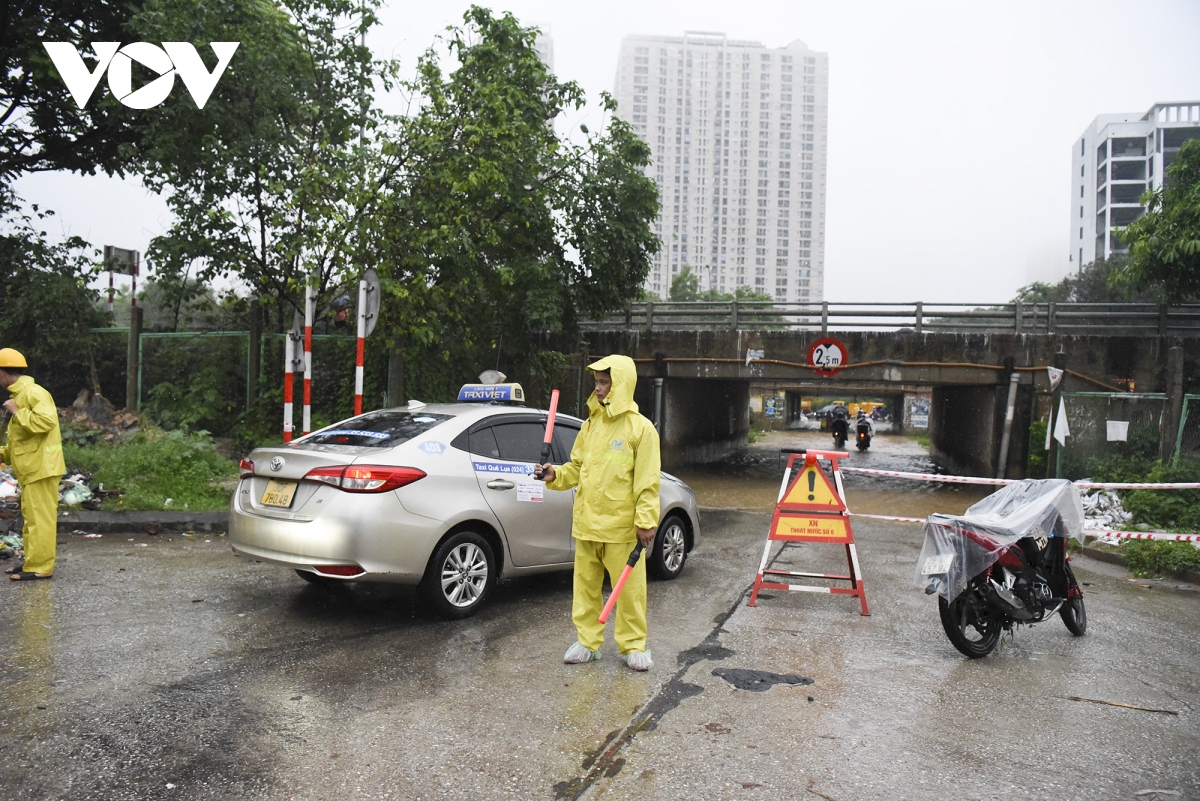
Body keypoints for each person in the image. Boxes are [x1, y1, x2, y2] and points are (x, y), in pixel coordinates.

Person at [535, 355, 660, 671]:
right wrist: (554, 475)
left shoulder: (641, 429)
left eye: (605, 382)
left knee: (630, 593)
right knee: (585, 590)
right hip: (587, 524)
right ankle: (587, 642)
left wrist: (646, 522)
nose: (599, 388)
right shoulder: (590, 425)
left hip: (621, 529)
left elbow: (647, 481)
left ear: (621, 384)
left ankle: (633, 646)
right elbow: (576, 468)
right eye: (597, 382)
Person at [0, 348, 65, 581]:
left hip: (42, 468)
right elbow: (22, 438)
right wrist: (3, 454)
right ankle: (31, 562)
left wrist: (17, 412)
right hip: (31, 469)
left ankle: (41, 567)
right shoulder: (20, 394)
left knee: (41, 520)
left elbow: (46, 422)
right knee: (31, 520)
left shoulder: (33, 393)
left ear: (3, 372)